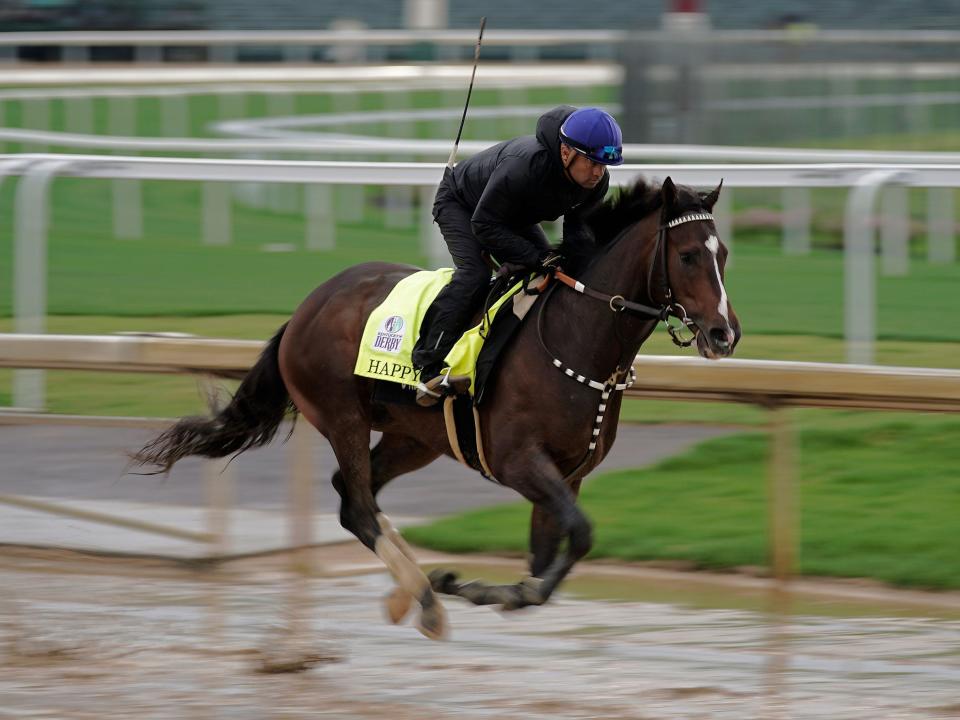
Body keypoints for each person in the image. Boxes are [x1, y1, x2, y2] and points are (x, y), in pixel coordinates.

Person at [412, 105, 624, 407]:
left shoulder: (594, 183)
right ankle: (427, 365)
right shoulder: (525, 167)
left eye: (604, 165)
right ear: (566, 152)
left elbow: (577, 236)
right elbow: (483, 225)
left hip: (510, 216)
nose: (598, 173)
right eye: (592, 163)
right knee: (475, 275)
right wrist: (537, 257)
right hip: (462, 205)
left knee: (552, 270)